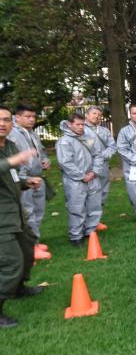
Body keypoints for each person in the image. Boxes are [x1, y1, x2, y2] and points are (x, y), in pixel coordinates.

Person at [0, 106, 45, 329]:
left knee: (27, 251)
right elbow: (6, 167)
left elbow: (11, 178)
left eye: (6, 120)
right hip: (1, 219)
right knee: (11, 263)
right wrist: (13, 160)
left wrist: (26, 183)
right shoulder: (11, 153)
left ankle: (18, 289)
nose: (3, 123)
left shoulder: (9, 146)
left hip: (15, 213)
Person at [7, 105, 52, 260]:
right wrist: (24, 179)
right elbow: (14, 159)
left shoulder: (32, 133)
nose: (32, 119)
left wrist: (45, 161)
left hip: (38, 177)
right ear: (17, 117)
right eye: (28, 116)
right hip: (24, 180)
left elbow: (41, 151)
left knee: (39, 211)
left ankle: (35, 241)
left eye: (33, 116)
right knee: (28, 213)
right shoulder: (12, 134)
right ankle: (30, 247)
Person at [56, 113, 104, 246]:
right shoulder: (64, 141)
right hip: (75, 181)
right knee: (76, 208)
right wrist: (82, 176)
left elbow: (98, 155)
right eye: (77, 124)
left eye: (83, 124)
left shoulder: (89, 138)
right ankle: (76, 236)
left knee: (94, 205)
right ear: (70, 124)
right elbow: (65, 163)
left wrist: (94, 172)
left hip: (92, 177)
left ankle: (90, 231)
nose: (81, 127)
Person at [84, 106, 117, 229]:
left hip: (103, 166)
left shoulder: (105, 131)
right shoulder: (81, 129)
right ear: (87, 115)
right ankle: (86, 221)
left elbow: (112, 146)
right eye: (94, 113)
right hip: (88, 168)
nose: (97, 116)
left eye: (99, 114)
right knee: (89, 194)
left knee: (102, 192)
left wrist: (103, 156)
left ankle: (96, 220)